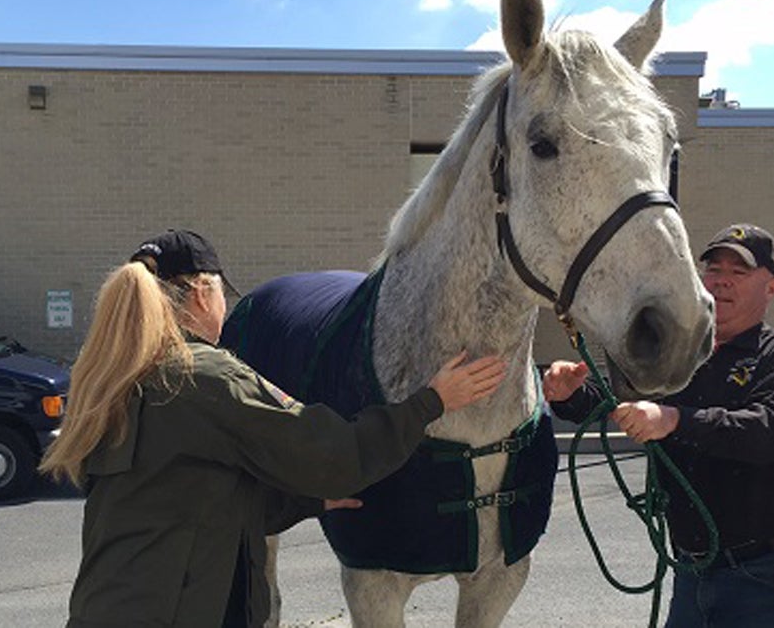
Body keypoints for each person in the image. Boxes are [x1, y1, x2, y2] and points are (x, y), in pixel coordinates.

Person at [40, 229, 507, 628]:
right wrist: (432, 401)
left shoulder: (117, 380)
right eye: (224, 292)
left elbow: (196, 506)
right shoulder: (206, 378)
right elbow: (334, 456)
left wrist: (306, 500)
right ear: (204, 292)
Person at [543, 223, 774, 627]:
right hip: (692, 572)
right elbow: (621, 399)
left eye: (739, 272)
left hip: (766, 575)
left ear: (771, 288)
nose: (722, 281)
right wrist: (569, 392)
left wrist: (674, 420)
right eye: (714, 270)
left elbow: (770, 431)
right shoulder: (677, 356)